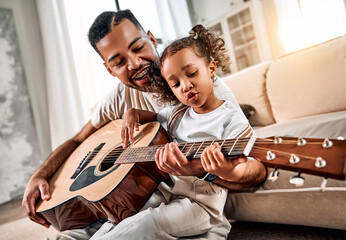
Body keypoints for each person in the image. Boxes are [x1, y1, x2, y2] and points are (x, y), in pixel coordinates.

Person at [21, 9, 266, 239]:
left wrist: (198, 169)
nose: (135, 63)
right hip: (137, 198)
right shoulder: (118, 98)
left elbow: (252, 168)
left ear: (151, 38)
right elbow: (78, 140)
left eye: (138, 47)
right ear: (109, 69)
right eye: (118, 62)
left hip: (187, 202)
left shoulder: (203, 92)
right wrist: (40, 175)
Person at [97, 24, 260, 240]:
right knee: (121, 217)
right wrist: (132, 113)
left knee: (147, 223)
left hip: (202, 202)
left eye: (192, 73)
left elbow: (245, 162)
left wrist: (227, 171)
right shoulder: (178, 113)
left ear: (211, 69)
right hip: (168, 190)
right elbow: (155, 117)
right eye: (175, 84)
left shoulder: (229, 117)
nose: (185, 86)